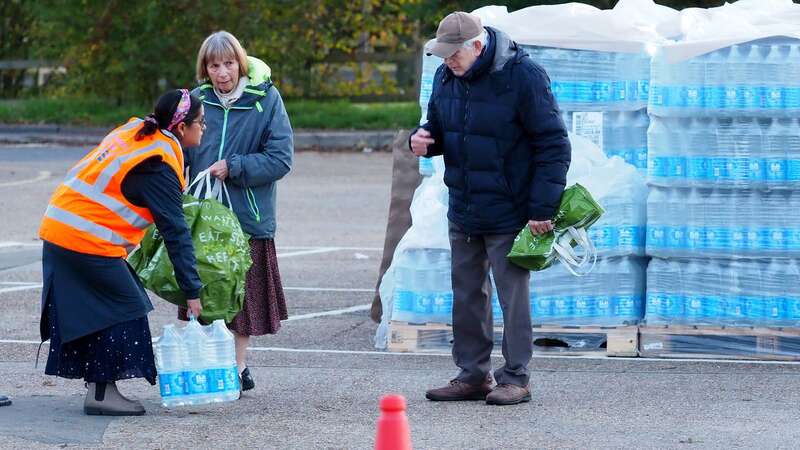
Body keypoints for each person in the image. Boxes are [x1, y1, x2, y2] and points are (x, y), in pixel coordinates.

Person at [410, 12, 571, 406]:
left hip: (512, 209)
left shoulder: (524, 76)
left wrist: (542, 208)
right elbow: (439, 127)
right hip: (464, 204)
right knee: (466, 295)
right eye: (443, 56)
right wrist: (424, 140)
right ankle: (472, 375)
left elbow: (553, 145)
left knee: (512, 297)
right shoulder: (446, 76)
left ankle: (516, 377)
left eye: (453, 55)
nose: (447, 62)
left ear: (477, 47)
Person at [38, 89, 206, 416]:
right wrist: (192, 290)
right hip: (81, 237)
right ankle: (101, 394)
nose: (204, 128)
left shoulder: (139, 132)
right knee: (125, 307)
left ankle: (98, 386)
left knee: (99, 308)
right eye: (201, 123)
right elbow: (175, 231)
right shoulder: (157, 164)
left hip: (64, 229)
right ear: (182, 128)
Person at [181, 31, 293, 392]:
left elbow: (280, 158)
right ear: (205, 68)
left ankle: (237, 366)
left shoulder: (267, 99)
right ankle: (206, 362)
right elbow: (178, 148)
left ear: (240, 63)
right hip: (202, 217)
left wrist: (235, 166)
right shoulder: (196, 100)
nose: (222, 72)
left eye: (228, 63)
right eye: (214, 65)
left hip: (248, 216)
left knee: (242, 300)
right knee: (201, 294)